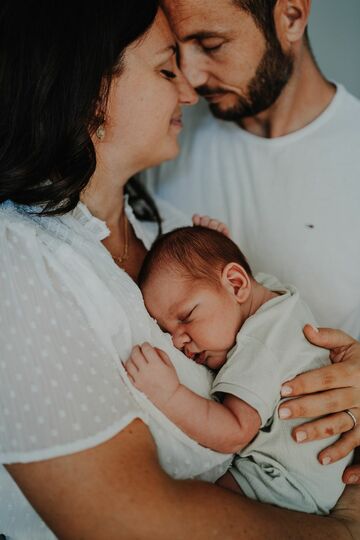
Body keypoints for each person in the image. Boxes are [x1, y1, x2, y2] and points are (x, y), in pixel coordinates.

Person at [0, 1, 360, 539]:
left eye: (209, 46)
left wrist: (344, 373)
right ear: (88, 90)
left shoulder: (162, 224)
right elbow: (120, 518)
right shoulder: (25, 254)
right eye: (169, 67)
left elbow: (271, 322)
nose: (190, 87)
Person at [142, 0, 360, 475]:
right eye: (178, 53)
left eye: (211, 44)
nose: (192, 80)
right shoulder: (164, 140)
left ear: (292, 17)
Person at [125, 225, 352, 514]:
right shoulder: (277, 299)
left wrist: (168, 393)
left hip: (285, 484)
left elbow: (235, 430)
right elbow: (240, 280)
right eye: (167, 331)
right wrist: (219, 244)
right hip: (319, 478)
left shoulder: (257, 344)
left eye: (186, 317)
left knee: (191, 510)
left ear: (236, 284)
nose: (178, 340)